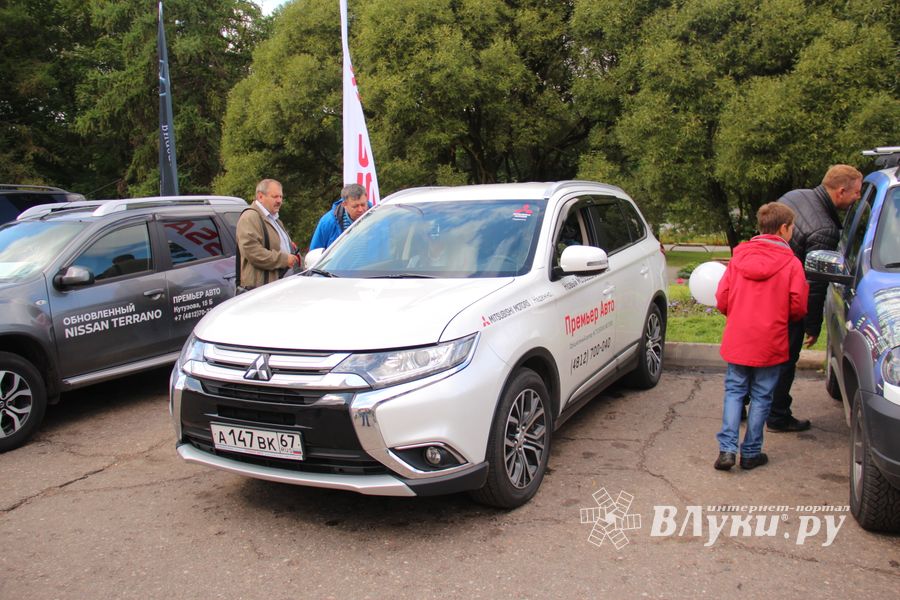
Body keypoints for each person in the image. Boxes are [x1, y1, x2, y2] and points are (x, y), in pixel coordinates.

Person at [714, 203, 809, 471]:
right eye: (792, 228)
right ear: (783, 229)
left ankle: (727, 450)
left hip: (739, 336)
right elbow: (798, 305)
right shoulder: (791, 263)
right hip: (770, 338)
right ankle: (752, 452)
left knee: (734, 391)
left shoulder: (739, 257)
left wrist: (739, 315)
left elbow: (723, 297)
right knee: (762, 395)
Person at [769, 164, 863, 432]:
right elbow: (815, 282)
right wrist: (811, 325)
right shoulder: (824, 229)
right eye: (855, 193)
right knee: (786, 359)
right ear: (841, 191)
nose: (857, 198)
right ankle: (777, 415)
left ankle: (742, 404)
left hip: (763, 292)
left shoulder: (794, 196)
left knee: (757, 354)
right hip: (787, 301)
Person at [236, 179, 299, 290]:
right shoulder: (250, 217)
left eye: (281, 197)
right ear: (260, 197)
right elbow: (253, 252)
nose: (279, 201)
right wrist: (284, 260)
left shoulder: (275, 220)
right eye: (275, 197)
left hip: (276, 286)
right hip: (259, 290)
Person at [309, 183, 370, 250]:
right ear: (344, 205)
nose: (360, 209)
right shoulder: (328, 222)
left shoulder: (377, 215)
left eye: (363, 205)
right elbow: (315, 252)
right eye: (355, 206)